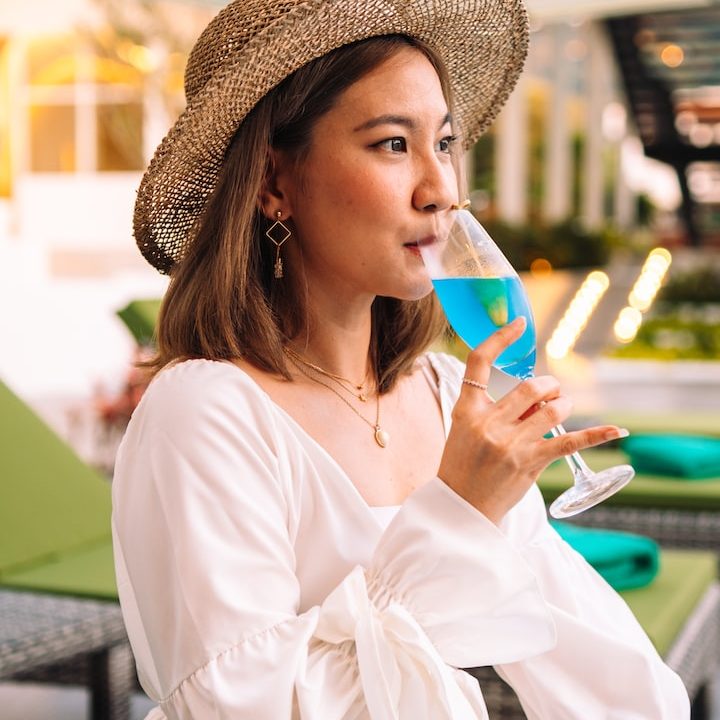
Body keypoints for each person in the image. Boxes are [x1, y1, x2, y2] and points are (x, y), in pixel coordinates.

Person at [112, 1, 690, 718]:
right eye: (392, 144)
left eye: (443, 143)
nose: (441, 190)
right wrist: (457, 515)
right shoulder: (207, 416)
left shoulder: (451, 395)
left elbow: (589, 656)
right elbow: (240, 706)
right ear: (272, 184)